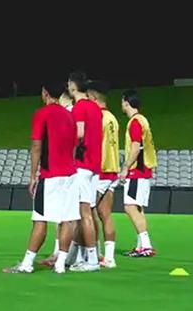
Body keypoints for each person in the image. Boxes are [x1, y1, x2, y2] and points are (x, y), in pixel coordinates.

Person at [3, 80, 79, 275]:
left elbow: (37, 145)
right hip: (70, 174)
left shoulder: (42, 114)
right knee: (67, 219)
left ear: (45, 93)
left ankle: (27, 263)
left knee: (40, 220)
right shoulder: (70, 115)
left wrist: (32, 175)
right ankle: (61, 264)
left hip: (51, 174)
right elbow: (75, 144)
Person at [66, 72, 102, 272]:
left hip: (82, 165)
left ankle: (91, 260)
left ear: (73, 86)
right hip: (94, 165)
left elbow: (79, 134)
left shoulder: (79, 108)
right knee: (87, 213)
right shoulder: (96, 108)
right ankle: (85, 256)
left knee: (83, 214)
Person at [120, 89, 157, 257]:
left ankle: (146, 245)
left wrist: (126, 166)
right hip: (145, 169)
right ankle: (141, 245)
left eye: (122, 102)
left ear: (126, 102)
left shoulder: (135, 122)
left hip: (137, 171)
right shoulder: (143, 120)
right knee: (137, 208)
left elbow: (136, 147)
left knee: (129, 207)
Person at [87, 81, 120, 268]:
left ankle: (94, 252)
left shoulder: (97, 117)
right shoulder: (112, 118)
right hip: (112, 170)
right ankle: (109, 257)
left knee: (88, 213)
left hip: (99, 171)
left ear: (92, 97)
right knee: (105, 214)